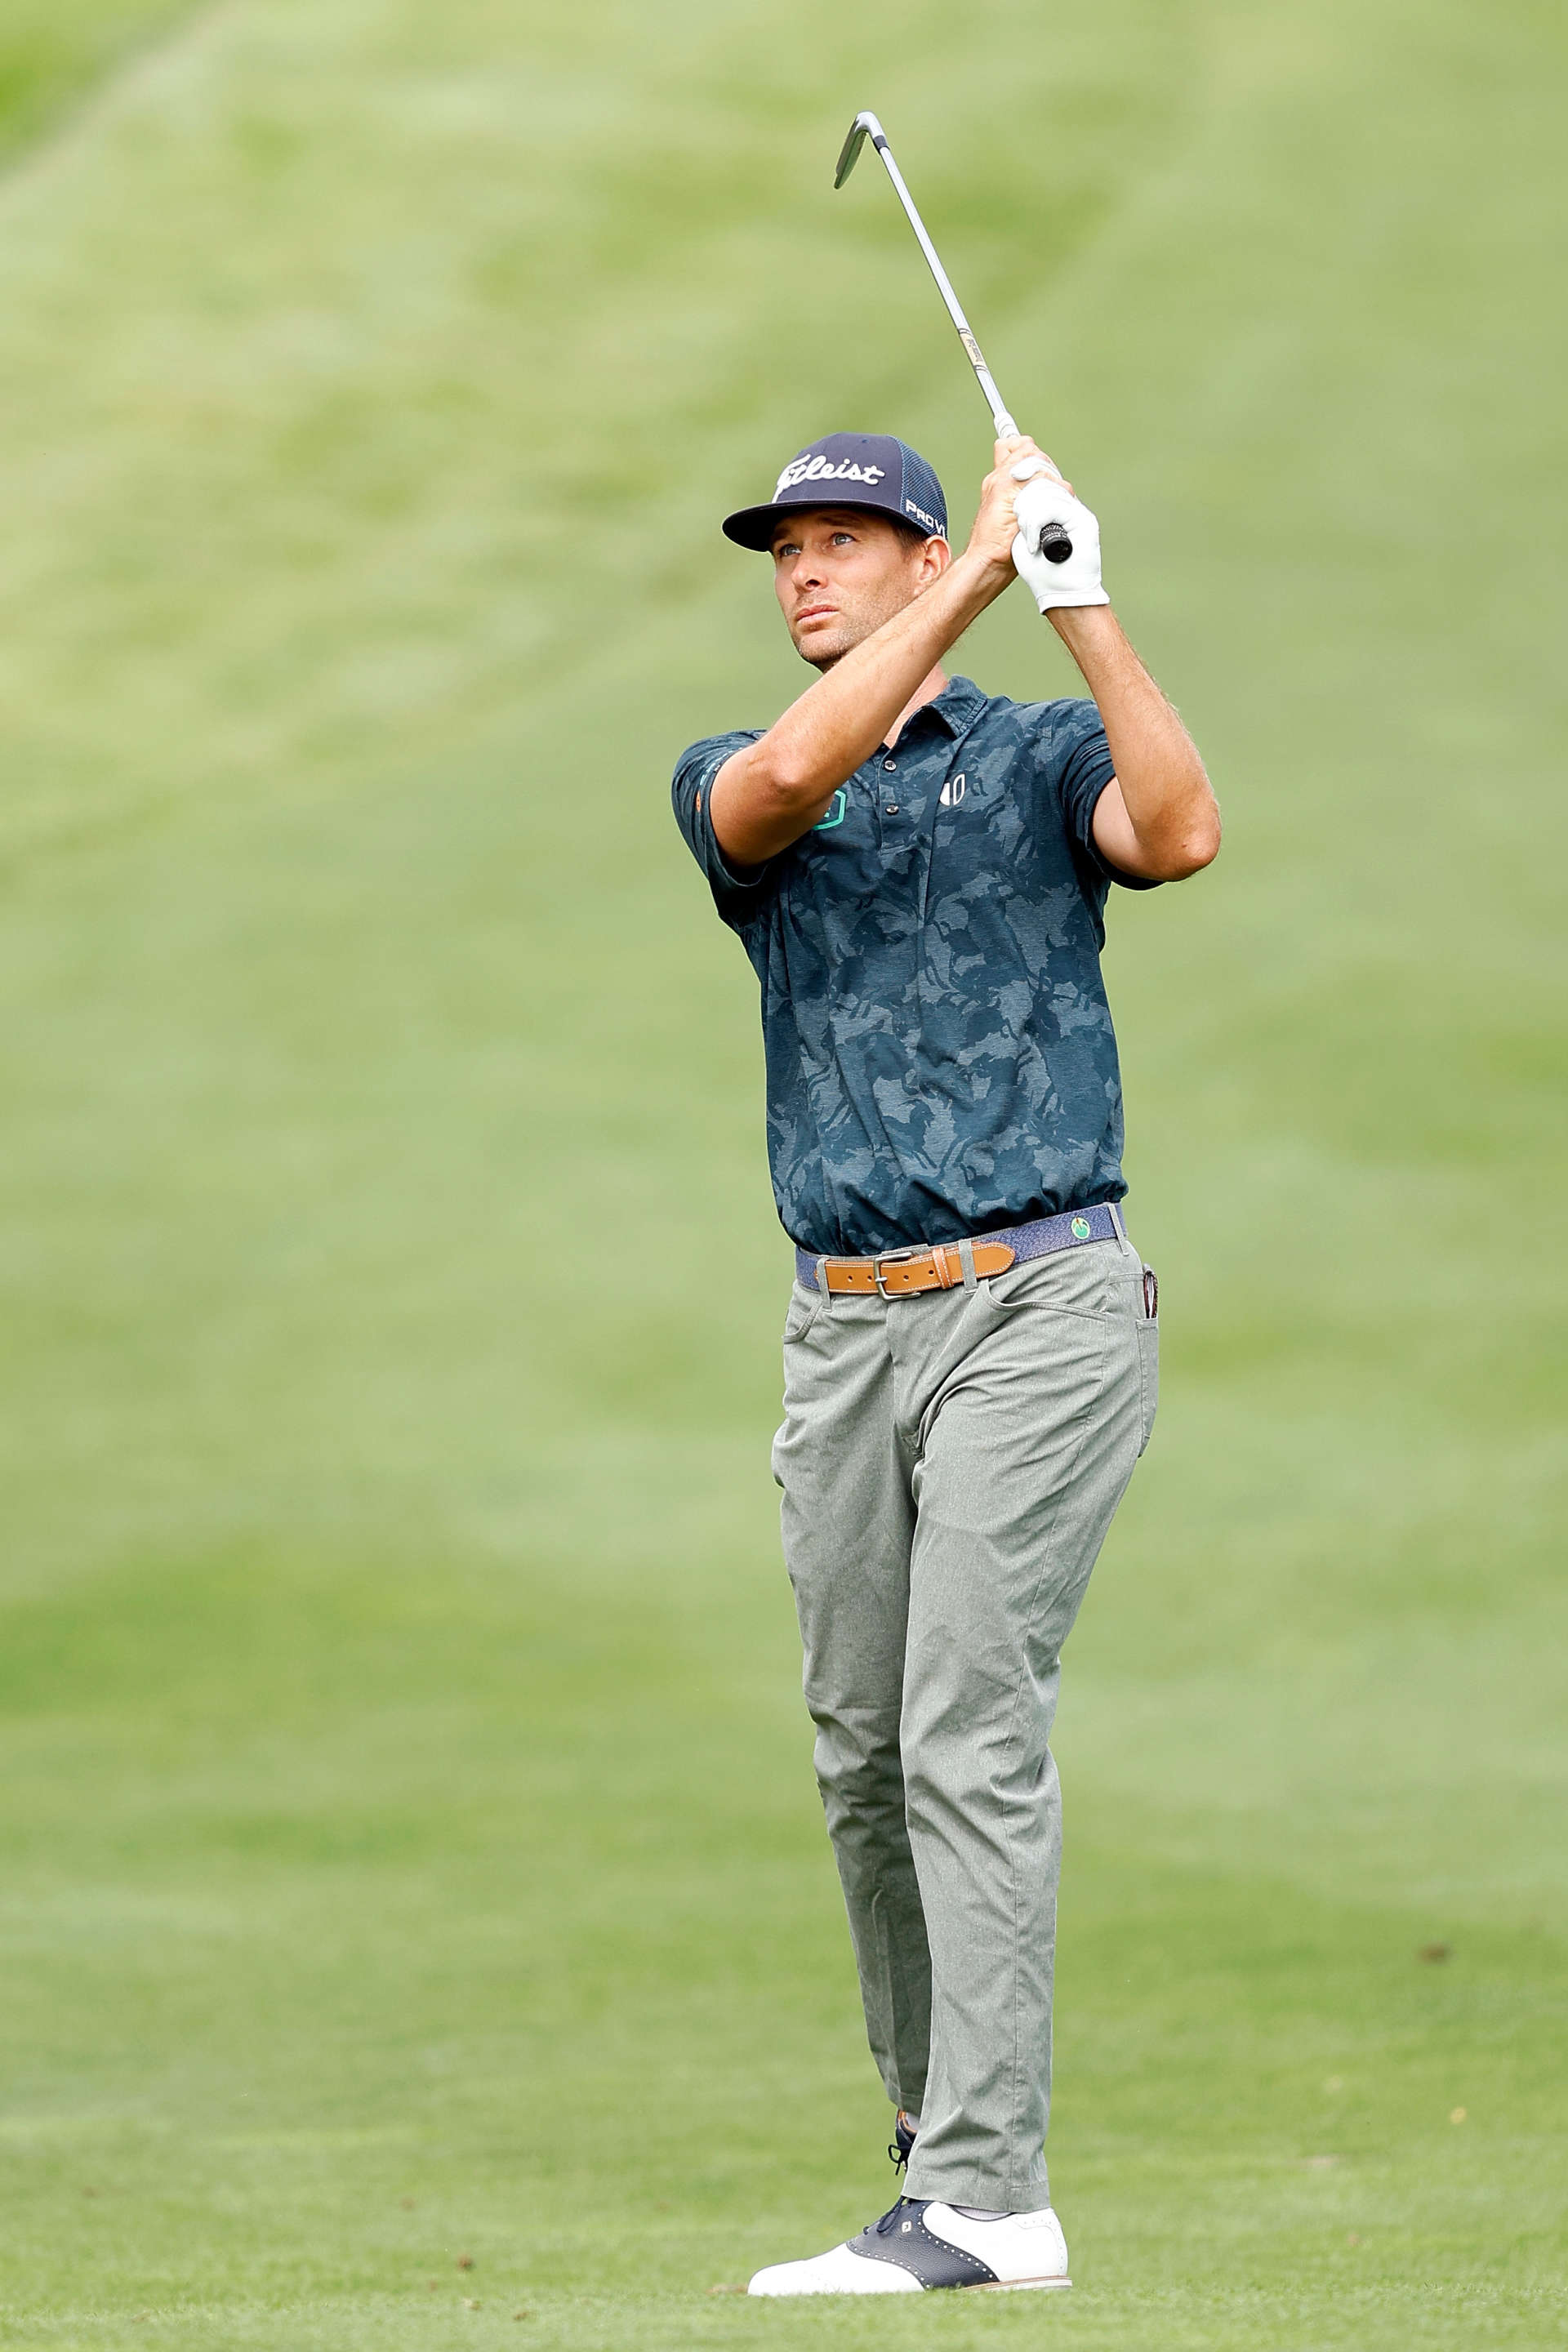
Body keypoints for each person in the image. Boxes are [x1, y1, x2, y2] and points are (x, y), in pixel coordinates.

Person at [670, 430, 1220, 2296]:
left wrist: (1081, 600)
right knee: (859, 1752)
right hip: (845, 1322)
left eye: (847, 543)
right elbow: (780, 791)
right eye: (788, 550)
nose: (805, 573)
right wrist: (980, 571)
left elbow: (1178, 827)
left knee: (966, 1722)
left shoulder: (1033, 755)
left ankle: (992, 2192)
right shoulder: (744, 778)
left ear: (915, 558)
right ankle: (937, 2152)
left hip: (1043, 1302)